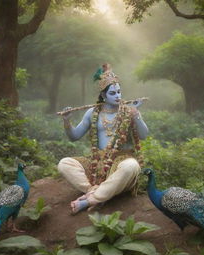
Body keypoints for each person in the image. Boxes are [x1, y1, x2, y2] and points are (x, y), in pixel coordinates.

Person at [58, 63, 149, 214]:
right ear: (103, 95)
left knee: (131, 167)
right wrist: (67, 121)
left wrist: (136, 115)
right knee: (64, 163)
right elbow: (74, 137)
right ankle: (95, 191)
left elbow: (144, 135)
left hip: (122, 164)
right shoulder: (92, 112)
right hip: (97, 166)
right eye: (113, 93)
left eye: (119, 92)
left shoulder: (128, 111)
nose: (118, 96)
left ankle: (90, 200)